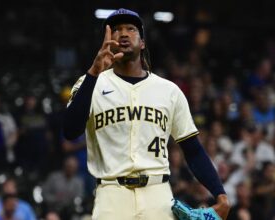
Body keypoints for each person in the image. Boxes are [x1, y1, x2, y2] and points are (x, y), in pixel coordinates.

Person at [63, 8, 230, 220]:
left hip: (157, 193)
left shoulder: (169, 91)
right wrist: (94, 73)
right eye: (116, 30)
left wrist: (220, 194)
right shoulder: (90, 83)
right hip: (112, 193)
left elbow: (193, 149)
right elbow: (70, 131)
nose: (123, 34)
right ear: (107, 41)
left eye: (131, 29)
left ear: (142, 43)